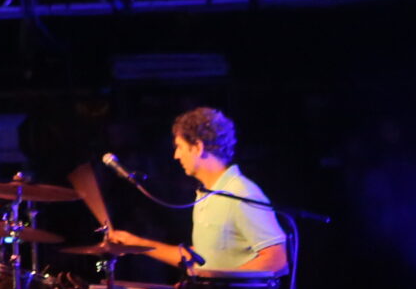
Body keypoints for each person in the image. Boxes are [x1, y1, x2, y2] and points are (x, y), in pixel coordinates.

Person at [106, 107, 288, 277]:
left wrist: (214, 282)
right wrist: (137, 243)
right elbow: (201, 260)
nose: (176, 155)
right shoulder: (207, 194)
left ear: (198, 147)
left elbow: (277, 260)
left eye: (180, 146)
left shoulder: (240, 193)